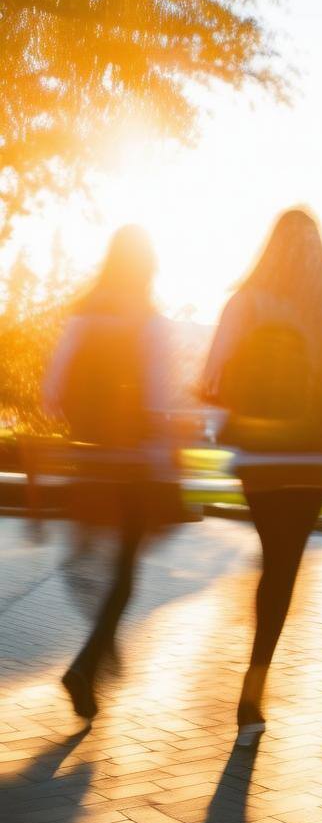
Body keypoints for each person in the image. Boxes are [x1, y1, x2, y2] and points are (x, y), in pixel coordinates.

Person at [201, 208, 322, 745]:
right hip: (314, 454)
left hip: (260, 453)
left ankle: (251, 689)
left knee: (270, 555)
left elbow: (209, 377)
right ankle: (254, 687)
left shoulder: (244, 302)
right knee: (284, 565)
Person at [43, 224, 178, 719]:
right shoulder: (150, 322)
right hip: (137, 462)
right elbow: (160, 401)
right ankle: (87, 661)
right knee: (123, 576)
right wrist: (165, 460)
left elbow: (51, 393)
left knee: (87, 558)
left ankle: (100, 645)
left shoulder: (82, 318)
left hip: (89, 458)